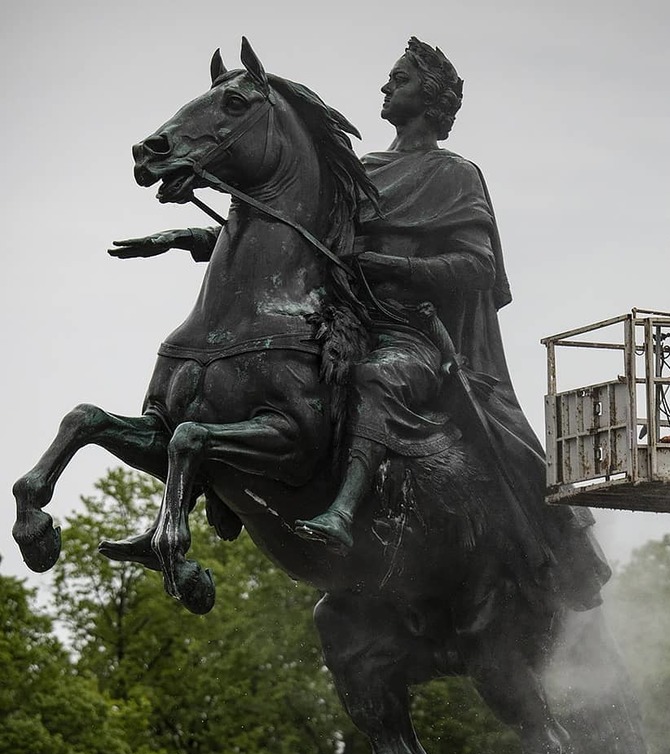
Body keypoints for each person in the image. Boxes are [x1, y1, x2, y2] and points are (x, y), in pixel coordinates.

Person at [110, 40, 610, 608]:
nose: (384, 88)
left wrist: (383, 264)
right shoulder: (362, 170)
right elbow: (304, 245)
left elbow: (477, 267)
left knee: (374, 376)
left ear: (432, 98)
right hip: (343, 324)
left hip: (410, 335)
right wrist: (196, 239)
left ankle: (342, 511)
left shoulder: (454, 175)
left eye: (398, 79)